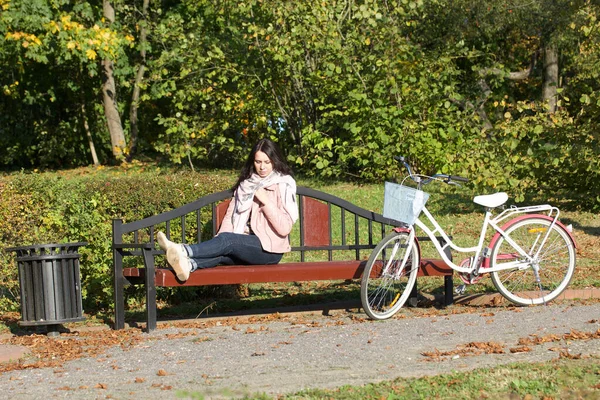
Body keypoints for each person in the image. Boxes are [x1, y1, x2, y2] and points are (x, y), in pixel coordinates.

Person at [157, 138, 298, 281]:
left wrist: (266, 201)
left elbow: (284, 228)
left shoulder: (283, 184)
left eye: (267, 162)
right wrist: (219, 243)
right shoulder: (245, 185)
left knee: (228, 241)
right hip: (244, 245)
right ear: (252, 162)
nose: (262, 167)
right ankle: (188, 264)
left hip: (270, 250)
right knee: (223, 254)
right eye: (258, 162)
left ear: (275, 161)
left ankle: (182, 250)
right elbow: (231, 216)